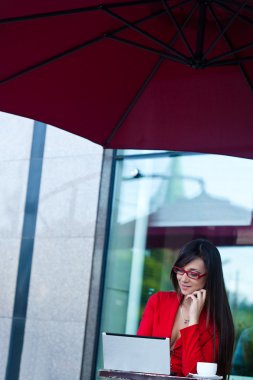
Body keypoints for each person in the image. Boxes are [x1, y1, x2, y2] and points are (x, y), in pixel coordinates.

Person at [137, 239, 235, 379]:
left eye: (193, 274)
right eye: (180, 270)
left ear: (209, 277)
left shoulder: (216, 323)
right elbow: (138, 354)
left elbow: (195, 373)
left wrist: (193, 321)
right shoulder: (158, 301)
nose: (183, 279)